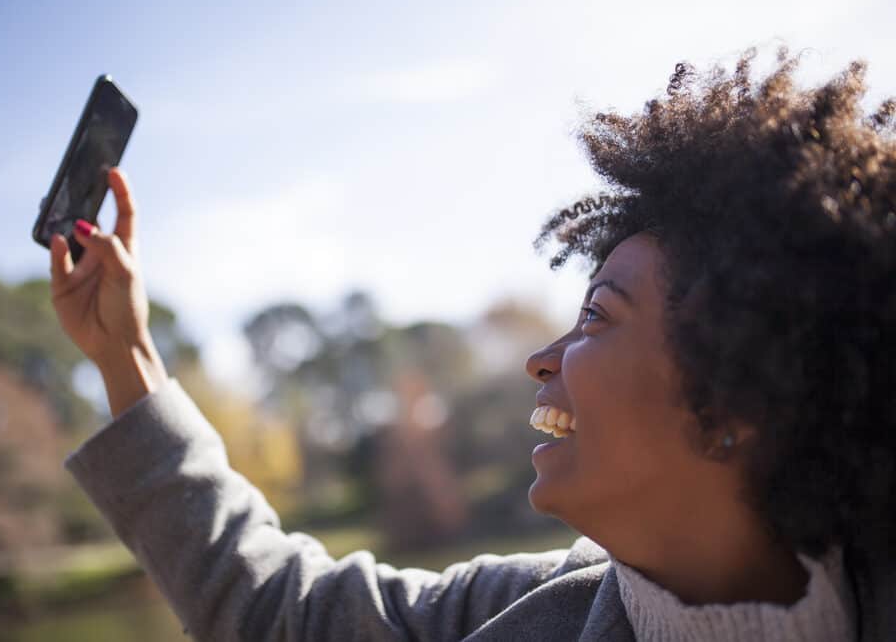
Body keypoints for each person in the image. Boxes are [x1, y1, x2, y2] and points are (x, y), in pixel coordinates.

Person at [47, 48, 896, 641]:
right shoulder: (516, 614)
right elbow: (277, 609)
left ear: (738, 399)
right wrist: (128, 358)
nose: (543, 356)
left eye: (598, 315)